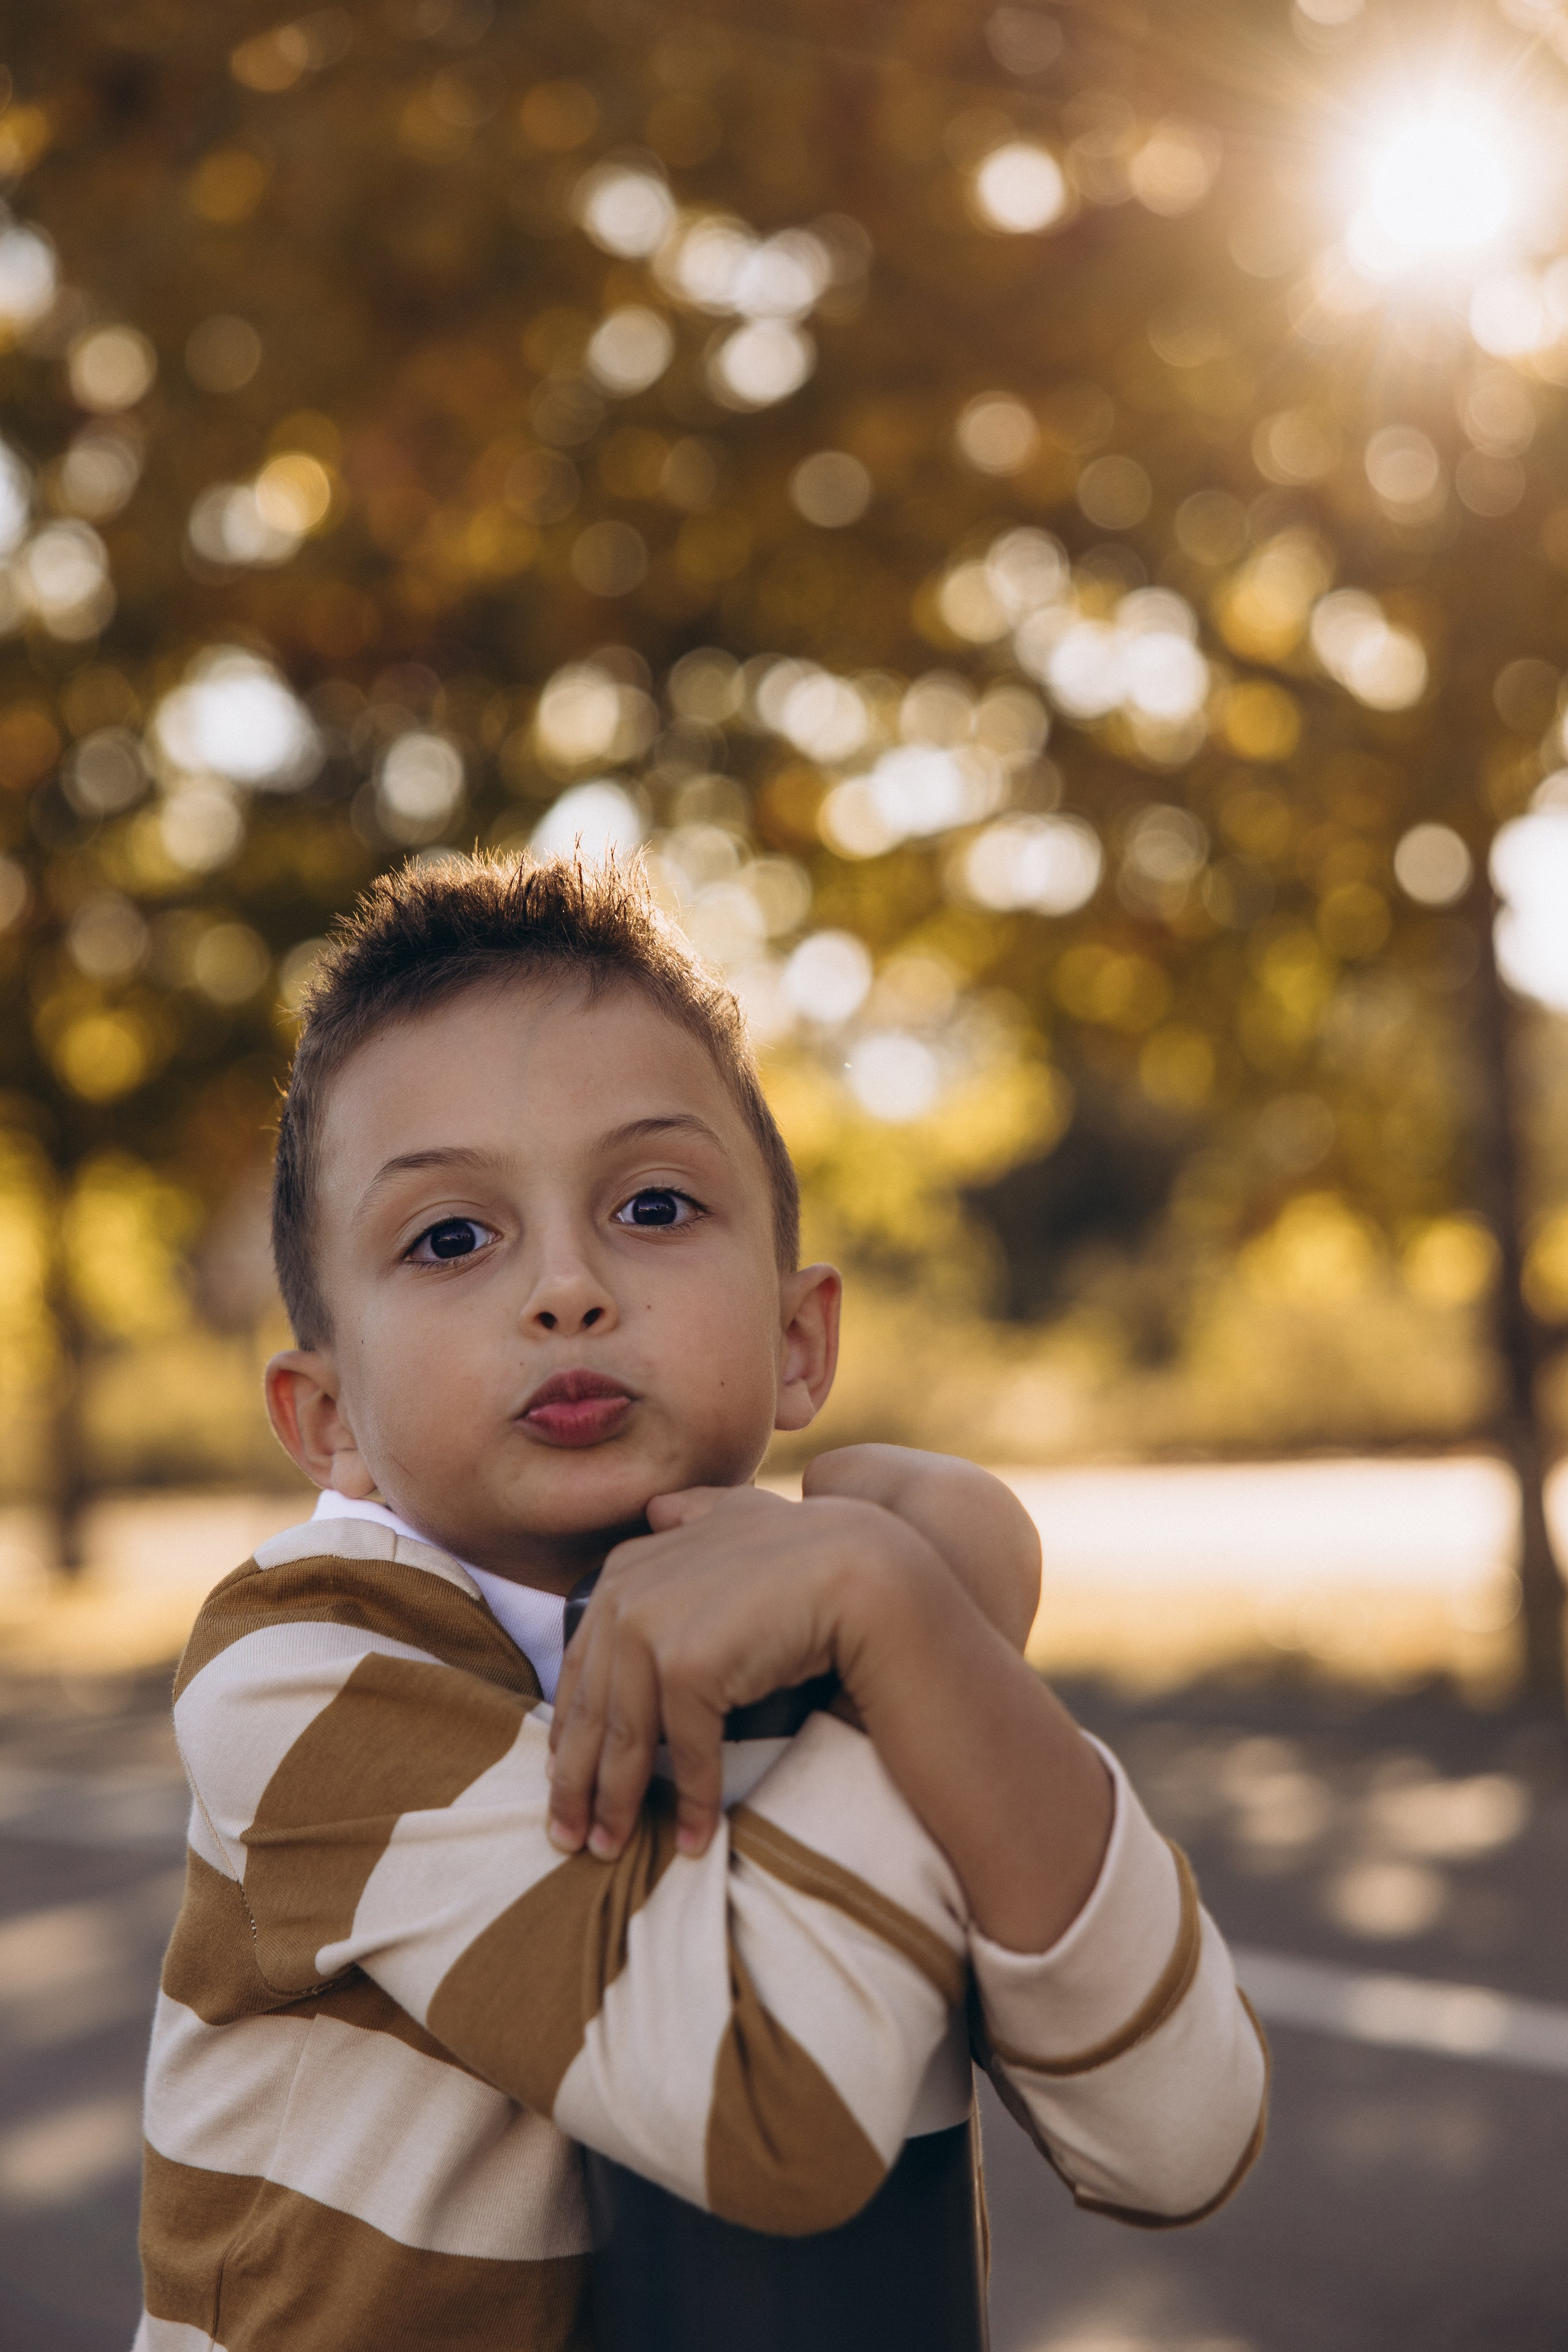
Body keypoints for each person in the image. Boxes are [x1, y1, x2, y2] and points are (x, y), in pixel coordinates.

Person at [135, 853, 1268, 2352]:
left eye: (654, 1205)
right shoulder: (304, 1669)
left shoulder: (839, 1626)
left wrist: (917, 1633)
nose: (566, 1287)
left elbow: (1178, 2138)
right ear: (326, 1420)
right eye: (451, 1238)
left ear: (799, 1341)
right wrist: (929, 1608)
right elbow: (770, 2115)